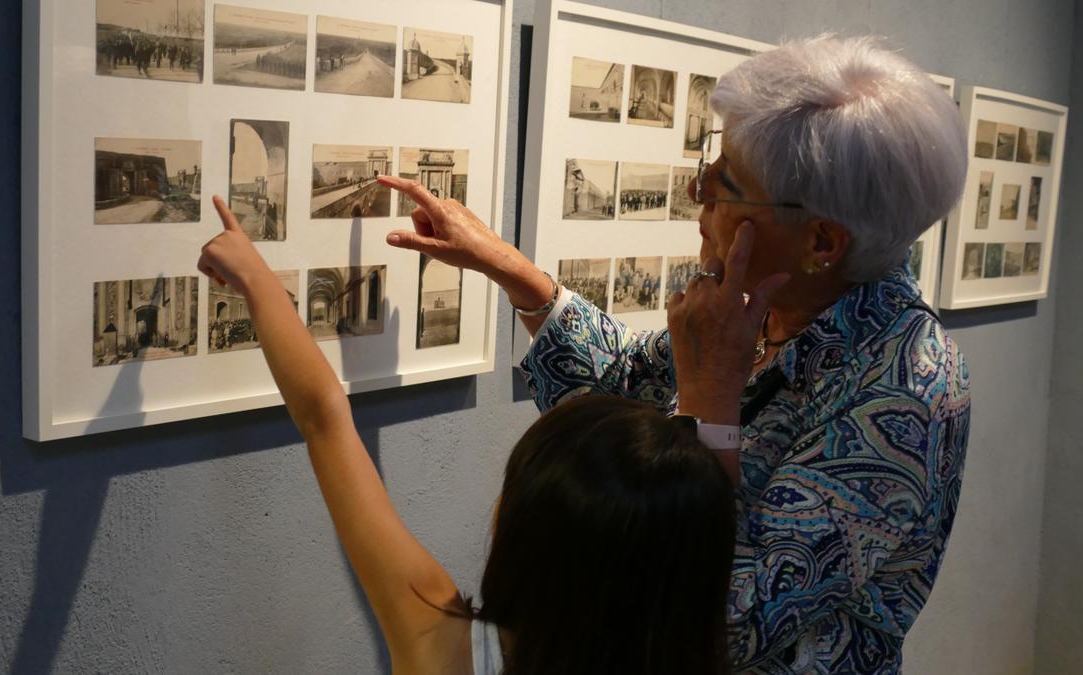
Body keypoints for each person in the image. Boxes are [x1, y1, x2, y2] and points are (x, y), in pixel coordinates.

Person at [378, 35, 971, 674]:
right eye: (710, 164)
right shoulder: (762, 309)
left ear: (821, 242)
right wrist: (510, 269)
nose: (698, 190)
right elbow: (620, 389)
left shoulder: (907, 387)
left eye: (725, 183)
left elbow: (726, 615)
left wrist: (711, 400)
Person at [198, 195, 746, 674]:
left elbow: (324, 418)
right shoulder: (701, 633)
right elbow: (698, 528)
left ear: (521, 535)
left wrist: (256, 279)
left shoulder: (448, 649)